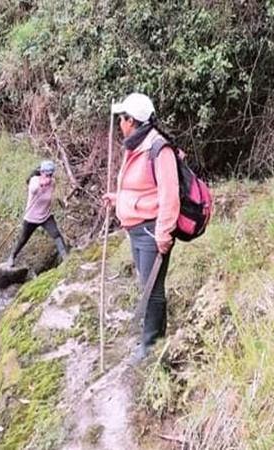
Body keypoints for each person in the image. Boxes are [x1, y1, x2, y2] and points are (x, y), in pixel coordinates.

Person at [104, 92, 180, 363]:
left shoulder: (159, 149)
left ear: (132, 121)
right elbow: (140, 188)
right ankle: (151, 337)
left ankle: (152, 346)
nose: (120, 124)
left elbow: (169, 195)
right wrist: (117, 199)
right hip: (135, 230)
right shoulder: (135, 146)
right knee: (145, 284)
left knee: (152, 289)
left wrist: (164, 233)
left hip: (151, 231)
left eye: (122, 119)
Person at [5, 160, 67, 267]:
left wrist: (48, 183)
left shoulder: (53, 182)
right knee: (23, 239)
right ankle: (12, 256)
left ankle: (65, 258)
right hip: (31, 217)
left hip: (45, 215)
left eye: (51, 174)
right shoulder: (34, 180)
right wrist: (41, 185)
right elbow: (33, 190)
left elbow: (49, 195)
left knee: (56, 234)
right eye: (47, 174)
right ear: (41, 172)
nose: (49, 176)